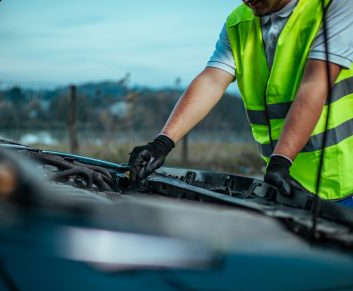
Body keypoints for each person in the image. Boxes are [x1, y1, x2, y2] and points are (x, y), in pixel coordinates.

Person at [128, 0, 353, 207]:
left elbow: (315, 83)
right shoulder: (239, 21)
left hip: (344, 182)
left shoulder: (335, 6)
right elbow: (212, 80)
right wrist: (162, 143)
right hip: (288, 184)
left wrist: (281, 160)